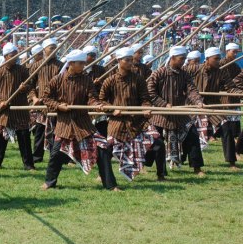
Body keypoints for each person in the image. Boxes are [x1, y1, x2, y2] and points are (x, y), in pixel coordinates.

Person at [41, 50, 107, 190]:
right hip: (65, 123)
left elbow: (92, 97)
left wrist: (96, 105)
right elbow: (46, 98)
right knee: (56, 154)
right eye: (81, 63)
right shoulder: (57, 80)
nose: (84, 65)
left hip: (83, 123)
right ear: (70, 63)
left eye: (84, 63)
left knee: (102, 149)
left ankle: (109, 183)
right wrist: (58, 106)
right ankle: (49, 182)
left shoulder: (86, 80)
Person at [99, 47, 166, 183]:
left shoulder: (139, 79)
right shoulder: (109, 81)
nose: (131, 63)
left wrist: (146, 109)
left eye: (131, 60)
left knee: (159, 143)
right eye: (127, 60)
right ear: (119, 61)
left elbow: (145, 99)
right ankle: (103, 176)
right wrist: (112, 110)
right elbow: (101, 101)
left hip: (138, 121)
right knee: (106, 148)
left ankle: (161, 175)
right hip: (117, 122)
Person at [147, 46, 206, 176]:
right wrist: (163, 104)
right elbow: (150, 93)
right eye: (181, 59)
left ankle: (197, 167)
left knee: (193, 135)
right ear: (172, 58)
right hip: (161, 115)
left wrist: (198, 101)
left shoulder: (185, 74)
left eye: (185, 58)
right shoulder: (158, 73)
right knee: (156, 142)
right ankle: (154, 169)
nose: (183, 61)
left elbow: (192, 90)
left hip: (179, 113)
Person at [186, 47, 238, 170]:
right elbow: (180, 75)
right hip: (194, 105)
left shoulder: (221, 72)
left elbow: (230, 87)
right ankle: (195, 166)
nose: (218, 61)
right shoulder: (194, 69)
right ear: (207, 59)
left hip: (212, 105)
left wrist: (238, 92)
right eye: (216, 59)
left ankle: (232, 161)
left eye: (219, 58)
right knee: (191, 133)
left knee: (226, 128)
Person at [0, 42, 35, 170]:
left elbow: (31, 86)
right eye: (13, 55)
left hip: (19, 109)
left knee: (24, 138)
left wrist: (24, 88)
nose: (16, 57)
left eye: (17, 55)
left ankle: (28, 164)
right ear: (6, 56)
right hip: (3, 110)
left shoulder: (23, 70)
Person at [27, 38, 63, 163]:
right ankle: (37, 157)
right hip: (41, 105)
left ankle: (56, 157)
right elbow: (29, 85)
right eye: (51, 47)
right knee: (40, 132)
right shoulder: (36, 65)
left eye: (55, 47)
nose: (54, 50)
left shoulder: (61, 65)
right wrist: (34, 97)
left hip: (56, 104)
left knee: (57, 131)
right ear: (44, 49)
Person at [219, 43, 242, 161]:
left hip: (235, 99)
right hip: (224, 100)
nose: (236, 54)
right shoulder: (220, 65)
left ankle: (237, 151)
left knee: (235, 128)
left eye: (237, 51)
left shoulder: (236, 66)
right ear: (227, 51)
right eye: (234, 51)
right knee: (227, 128)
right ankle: (234, 154)